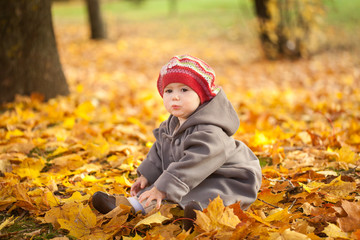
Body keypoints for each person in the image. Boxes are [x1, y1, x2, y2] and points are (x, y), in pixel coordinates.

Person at [91, 55, 262, 230]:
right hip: (192, 178)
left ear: (201, 95)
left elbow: (195, 163)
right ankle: (130, 206)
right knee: (160, 189)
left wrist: (163, 187)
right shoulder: (171, 124)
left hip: (227, 177)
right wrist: (147, 175)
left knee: (213, 195)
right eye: (169, 91)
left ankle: (202, 217)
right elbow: (160, 151)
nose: (175, 97)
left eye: (184, 90)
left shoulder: (211, 131)